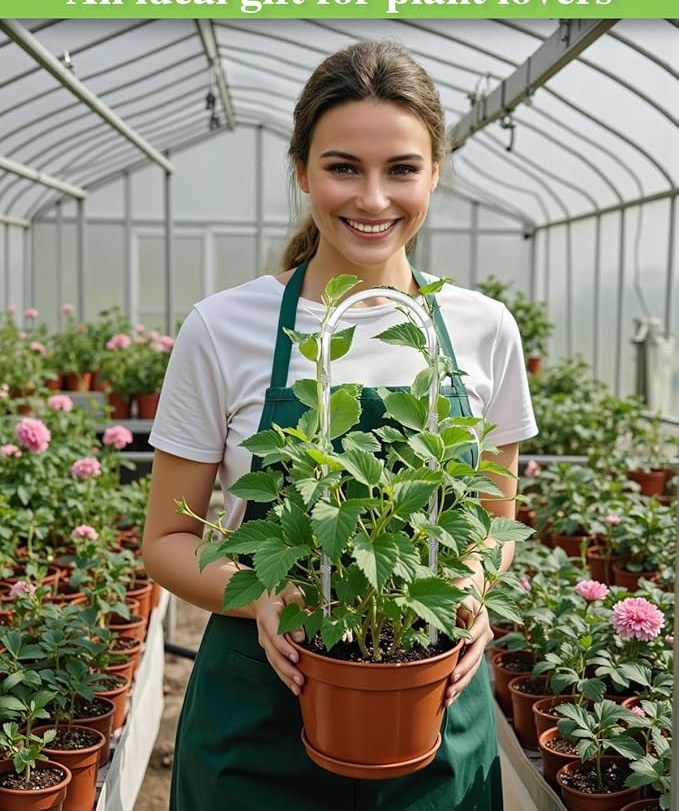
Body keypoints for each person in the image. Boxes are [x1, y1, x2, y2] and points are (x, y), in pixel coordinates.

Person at [143, 40, 538, 811]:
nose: (373, 198)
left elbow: (494, 524)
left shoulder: (483, 328)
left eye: (401, 169)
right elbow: (165, 540)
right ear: (301, 170)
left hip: (432, 717)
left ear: (435, 172)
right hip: (257, 719)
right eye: (343, 167)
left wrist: (466, 586)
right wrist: (264, 595)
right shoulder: (224, 327)